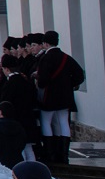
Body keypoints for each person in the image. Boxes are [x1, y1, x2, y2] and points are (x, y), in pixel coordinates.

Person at [32, 34, 86, 166]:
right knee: (64, 123)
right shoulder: (66, 58)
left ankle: (51, 153)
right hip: (65, 97)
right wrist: (68, 84)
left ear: (45, 44)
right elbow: (79, 75)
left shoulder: (45, 59)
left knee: (46, 123)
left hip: (49, 97)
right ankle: (64, 154)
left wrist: (37, 78)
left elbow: (43, 81)